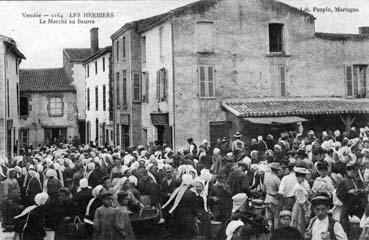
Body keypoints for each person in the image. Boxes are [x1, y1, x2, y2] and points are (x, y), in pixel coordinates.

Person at [337, 162, 367, 236]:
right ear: (347, 171)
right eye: (352, 172)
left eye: (355, 172)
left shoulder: (359, 181)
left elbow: (363, 192)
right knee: (347, 229)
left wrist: (361, 192)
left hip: (359, 208)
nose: (354, 173)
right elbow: (339, 194)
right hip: (348, 207)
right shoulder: (343, 182)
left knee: (360, 229)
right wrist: (348, 193)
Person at [290, 167, 311, 235]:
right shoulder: (298, 187)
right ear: (297, 177)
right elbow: (301, 201)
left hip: (301, 206)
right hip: (300, 207)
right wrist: (306, 212)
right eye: (301, 176)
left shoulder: (301, 185)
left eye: (303, 176)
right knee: (299, 224)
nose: (303, 178)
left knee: (301, 225)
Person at [264, 162, 282, 230]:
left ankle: (269, 231)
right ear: (277, 170)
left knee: (269, 218)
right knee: (276, 218)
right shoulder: (276, 179)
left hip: (267, 198)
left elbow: (264, 189)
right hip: (275, 199)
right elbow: (280, 192)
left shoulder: (266, 177)